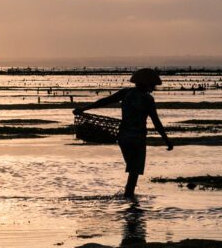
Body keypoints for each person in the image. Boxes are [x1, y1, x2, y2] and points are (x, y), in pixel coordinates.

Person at [74, 68, 173, 198]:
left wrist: (84, 108)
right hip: (137, 138)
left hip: (123, 137)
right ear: (147, 84)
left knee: (133, 169)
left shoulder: (126, 93)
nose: (153, 88)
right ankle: (129, 199)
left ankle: (129, 198)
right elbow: (156, 121)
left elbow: (105, 101)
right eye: (152, 85)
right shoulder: (147, 99)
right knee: (134, 170)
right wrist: (167, 140)